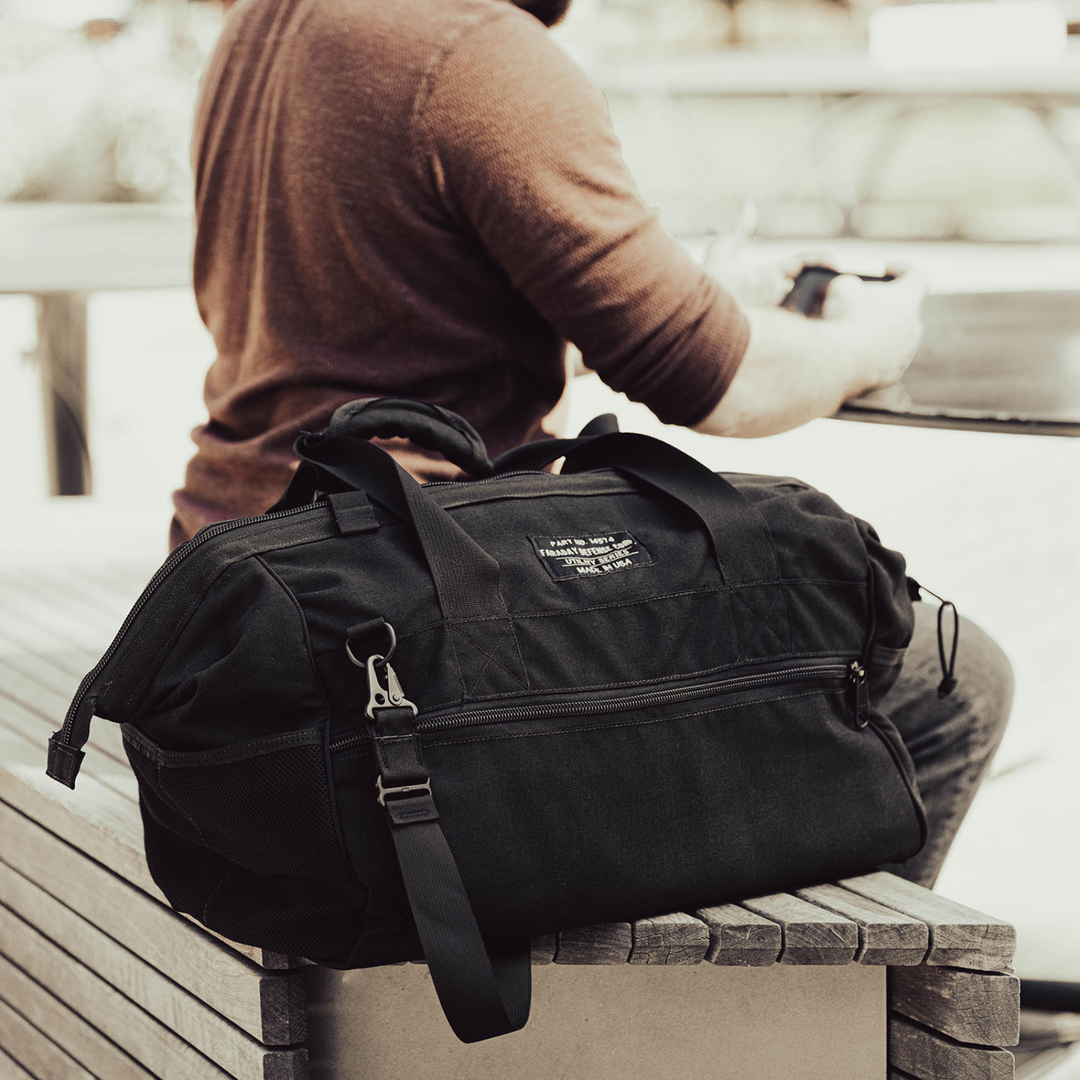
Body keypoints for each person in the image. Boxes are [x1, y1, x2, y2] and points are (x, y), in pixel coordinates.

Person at [175, 0, 1011, 887]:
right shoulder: (477, 51)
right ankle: (844, 1009)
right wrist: (871, 339)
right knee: (958, 680)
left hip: (232, 580)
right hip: (398, 620)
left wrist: (670, 293)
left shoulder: (267, 20)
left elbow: (388, 306)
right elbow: (725, 387)